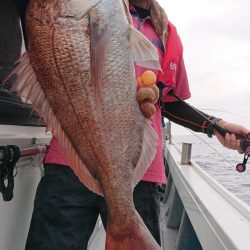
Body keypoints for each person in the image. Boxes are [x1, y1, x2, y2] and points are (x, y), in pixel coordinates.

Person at [8, 0, 249, 249]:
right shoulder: (94, 9)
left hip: (138, 171)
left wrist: (215, 126)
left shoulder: (168, 34)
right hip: (69, 162)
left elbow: (168, 102)